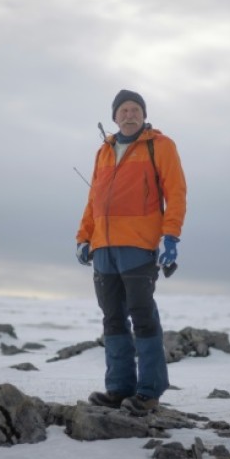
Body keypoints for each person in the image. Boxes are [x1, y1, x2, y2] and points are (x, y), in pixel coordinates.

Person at [75, 89, 187, 415]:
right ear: (115, 116)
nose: (129, 114)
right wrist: (84, 237)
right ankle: (119, 389)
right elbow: (93, 199)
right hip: (104, 249)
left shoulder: (160, 146)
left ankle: (149, 392)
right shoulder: (104, 152)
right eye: (123, 109)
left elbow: (176, 192)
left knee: (142, 317)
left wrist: (170, 236)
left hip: (139, 245)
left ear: (143, 114)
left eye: (135, 109)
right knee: (112, 319)